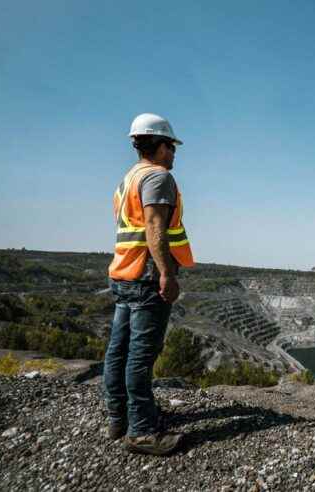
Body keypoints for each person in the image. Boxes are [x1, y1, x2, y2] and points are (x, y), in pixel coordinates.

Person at [103, 113, 195, 455]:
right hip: (147, 278)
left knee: (119, 350)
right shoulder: (158, 178)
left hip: (124, 274)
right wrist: (167, 275)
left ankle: (119, 417)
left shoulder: (128, 179)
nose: (174, 153)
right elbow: (155, 230)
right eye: (171, 146)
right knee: (140, 356)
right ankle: (141, 431)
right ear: (157, 145)